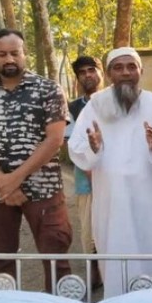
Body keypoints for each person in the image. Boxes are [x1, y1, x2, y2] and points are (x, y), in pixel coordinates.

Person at [68, 47, 152, 298]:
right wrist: (93, 148)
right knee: (116, 258)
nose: (125, 73)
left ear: (140, 71)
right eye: (118, 67)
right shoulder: (95, 107)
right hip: (112, 205)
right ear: (110, 73)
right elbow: (76, 148)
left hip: (150, 203)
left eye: (131, 66)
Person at [0, 29, 72, 293]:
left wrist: (15, 178)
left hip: (44, 189)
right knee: (0, 258)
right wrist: (4, 184)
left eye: (15, 52)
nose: (9, 59)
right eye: (2, 54)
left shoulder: (48, 90)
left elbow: (54, 140)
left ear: (24, 53)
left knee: (56, 255)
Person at [65, 56, 103, 289]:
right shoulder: (72, 108)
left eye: (92, 70)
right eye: (82, 72)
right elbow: (70, 144)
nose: (88, 75)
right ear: (77, 78)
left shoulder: (115, 101)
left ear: (101, 73)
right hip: (86, 180)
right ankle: (94, 272)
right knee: (90, 229)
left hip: (116, 178)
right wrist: (90, 168)